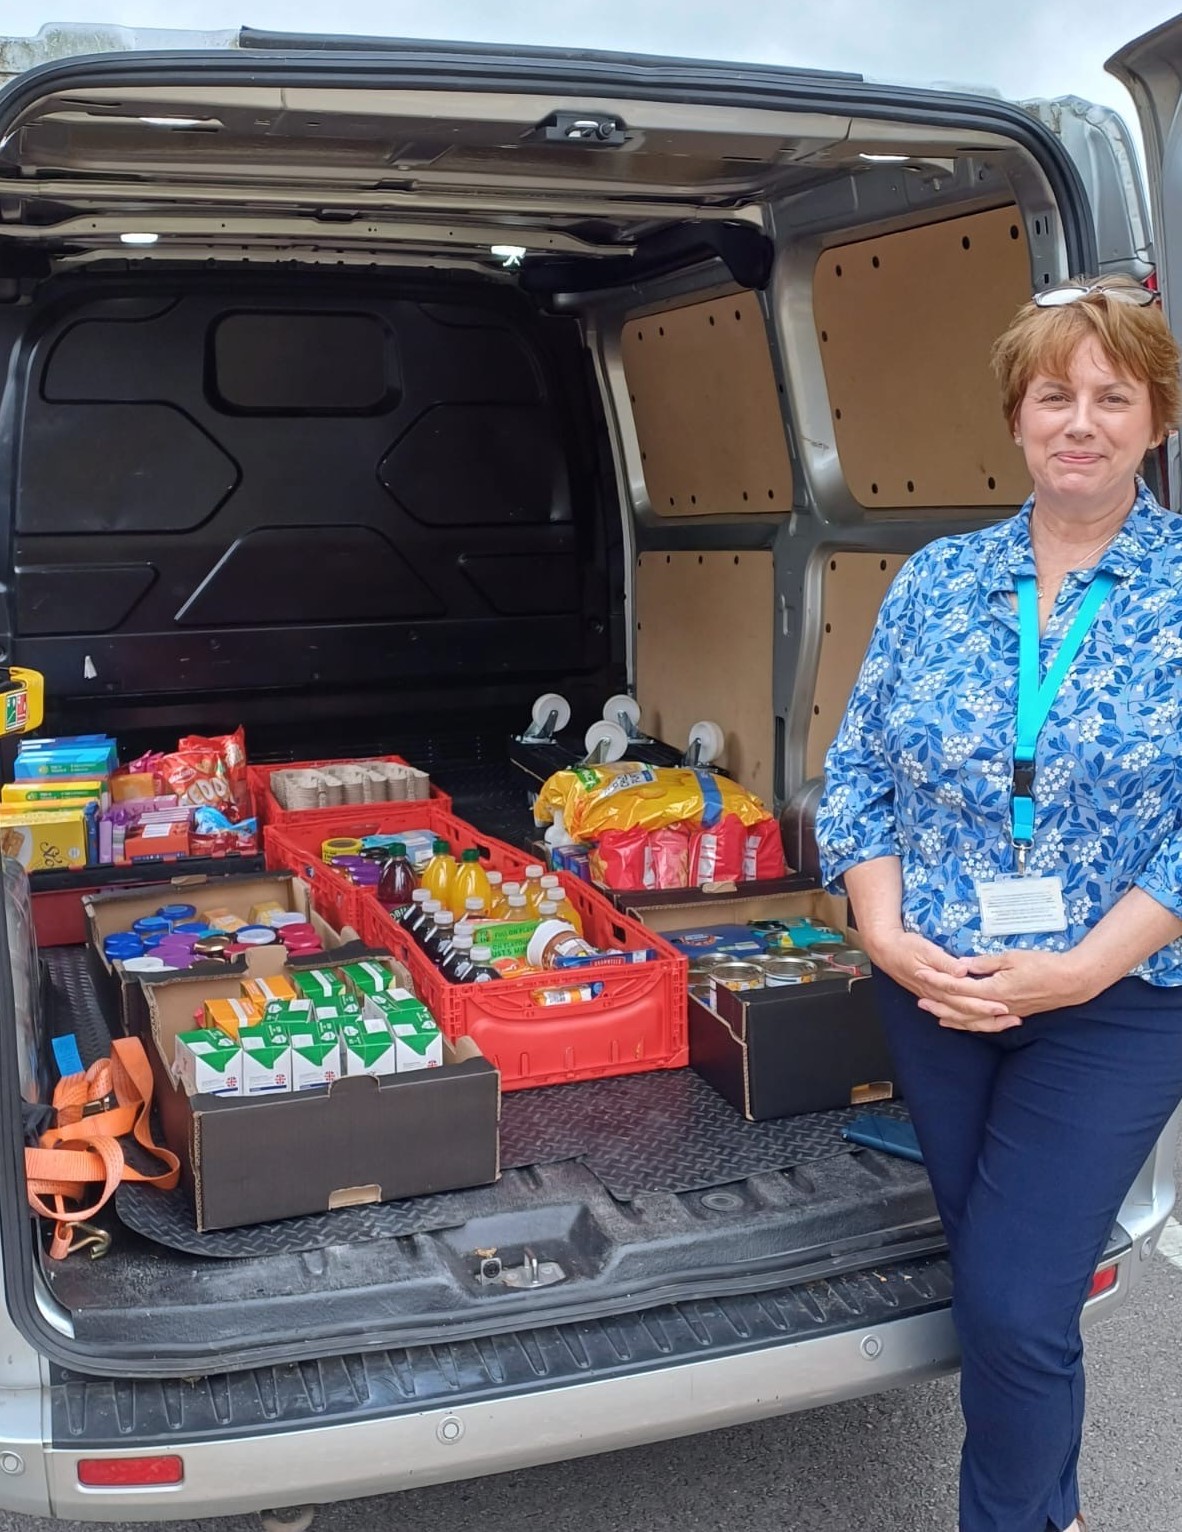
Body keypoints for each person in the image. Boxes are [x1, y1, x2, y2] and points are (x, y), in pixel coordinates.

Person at [815, 273, 1182, 1532]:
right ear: (1016, 418)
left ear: (1156, 418)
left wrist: (1081, 967)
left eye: (1111, 396)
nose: (1079, 421)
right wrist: (881, 928)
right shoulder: (939, 580)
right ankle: (1056, 1509)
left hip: (1116, 1001)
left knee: (1021, 1300)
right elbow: (857, 763)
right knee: (999, 1290)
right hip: (937, 988)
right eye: (1052, 395)